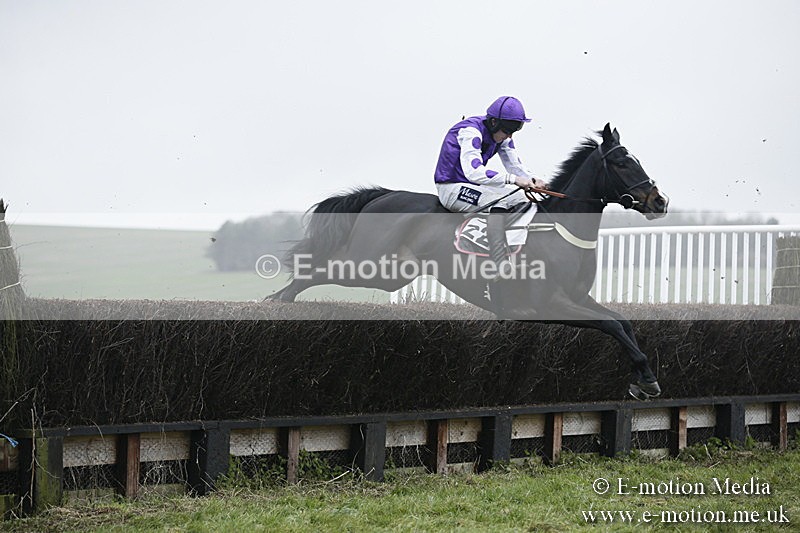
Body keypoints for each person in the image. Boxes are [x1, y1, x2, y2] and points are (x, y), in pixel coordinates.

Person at [433, 96, 546, 309]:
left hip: (475, 186)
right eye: (508, 130)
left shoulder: (502, 136)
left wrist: (533, 180)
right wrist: (515, 180)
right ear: (494, 122)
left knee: (526, 197)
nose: (510, 136)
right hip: (451, 187)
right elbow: (474, 172)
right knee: (499, 202)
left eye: (515, 130)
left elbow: (515, 166)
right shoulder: (470, 132)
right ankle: (497, 265)